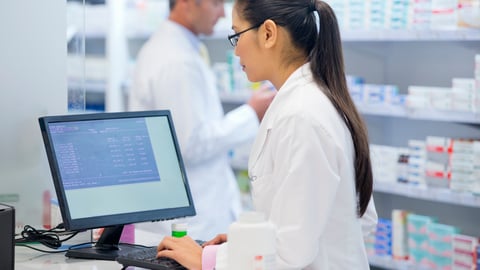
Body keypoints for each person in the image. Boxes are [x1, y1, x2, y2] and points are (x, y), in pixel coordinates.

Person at [156, 0, 378, 269]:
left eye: (237, 35)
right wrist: (249, 241)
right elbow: (359, 221)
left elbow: (289, 252)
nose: (236, 51)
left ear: (269, 34)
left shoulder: (302, 116)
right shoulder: (313, 100)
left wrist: (209, 260)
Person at [128, 0, 276, 241]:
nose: (221, 13)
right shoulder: (176, 60)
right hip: (190, 221)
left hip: (194, 211)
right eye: (216, 4)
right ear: (187, 3)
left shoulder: (179, 49)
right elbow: (190, 143)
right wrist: (250, 113)